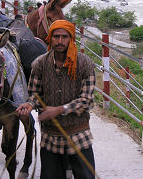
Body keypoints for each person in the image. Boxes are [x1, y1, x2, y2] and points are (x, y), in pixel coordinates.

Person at [17, 20, 96, 179]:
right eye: (56, 36)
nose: (60, 41)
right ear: (50, 39)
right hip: (50, 137)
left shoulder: (85, 64)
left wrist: (60, 109)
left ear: (71, 39)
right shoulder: (39, 64)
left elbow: (87, 100)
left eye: (64, 37)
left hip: (78, 135)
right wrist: (29, 105)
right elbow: (35, 95)